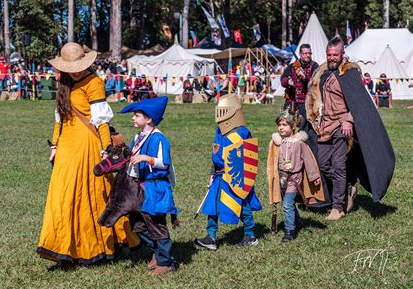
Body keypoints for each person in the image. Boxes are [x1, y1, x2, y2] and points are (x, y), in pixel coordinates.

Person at [37, 42, 139, 271]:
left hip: (88, 146)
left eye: (79, 66)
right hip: (67, 148)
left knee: (93, 195)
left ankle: (99, 245)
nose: (76, 71)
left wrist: (106, 150)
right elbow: (59, 119)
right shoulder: (63, 83)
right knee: (62, 197)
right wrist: (54, 146)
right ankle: (64, 249)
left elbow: (102, 122)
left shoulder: (94, 83)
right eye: (71, 67)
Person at [305, 37, 395, 220]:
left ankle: (338, 208)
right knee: (323, 164)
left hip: (341, 126)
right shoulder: (321, 73)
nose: (331, 58)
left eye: (335, 55)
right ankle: (347, 188)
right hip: (325, 126)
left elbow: (358, 103)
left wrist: (348, 120)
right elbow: (314, 98)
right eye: (329, 55)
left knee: (339, 166)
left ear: (342, 53)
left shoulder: (350, 73)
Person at [119, 96, 179, 276]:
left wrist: (146, 158)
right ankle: (157, 252)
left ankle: (166, 262)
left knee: (157, 224)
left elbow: (164, 163)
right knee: (138, 224)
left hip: (156, 188)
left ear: (149, 118)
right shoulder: (138, 137)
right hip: (140, 187)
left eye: (137, 115)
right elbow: (130, 157)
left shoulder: (159, 138)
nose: (133, 118)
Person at [195, 94, 262, 250]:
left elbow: (248, 157)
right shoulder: (219, 130)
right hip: (220, 175)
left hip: (237, 177)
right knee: (213, 206)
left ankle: (250, 235)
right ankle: (211, 237)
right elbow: (216, 153)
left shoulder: (243, 132)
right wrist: (212, 173)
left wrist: (240, 175)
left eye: (223, 109)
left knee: (242, 205)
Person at [267, 109, 323, 242]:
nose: (281, 128)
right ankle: (297, 221)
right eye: (279, 125)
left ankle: (289, 231)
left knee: (287, 204)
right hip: (281, 178)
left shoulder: (299, 143)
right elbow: (272, 161)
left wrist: (314, 176)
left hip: (294, 178)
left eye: (284, 125)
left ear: (293, 127)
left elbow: (308, 160)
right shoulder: (277, 143)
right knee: (289, 203)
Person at [281, 44, 319, 131]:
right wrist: (289, 82)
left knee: (304, 129)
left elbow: (315, 83)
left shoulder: (315, 66)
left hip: (306, 103)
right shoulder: (292, 66)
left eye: (309, 53)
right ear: (300, 54)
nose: (308, 55)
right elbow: (283, 80)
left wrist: (305, 77)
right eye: (305, 53)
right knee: (286, 126)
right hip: (291, 101)